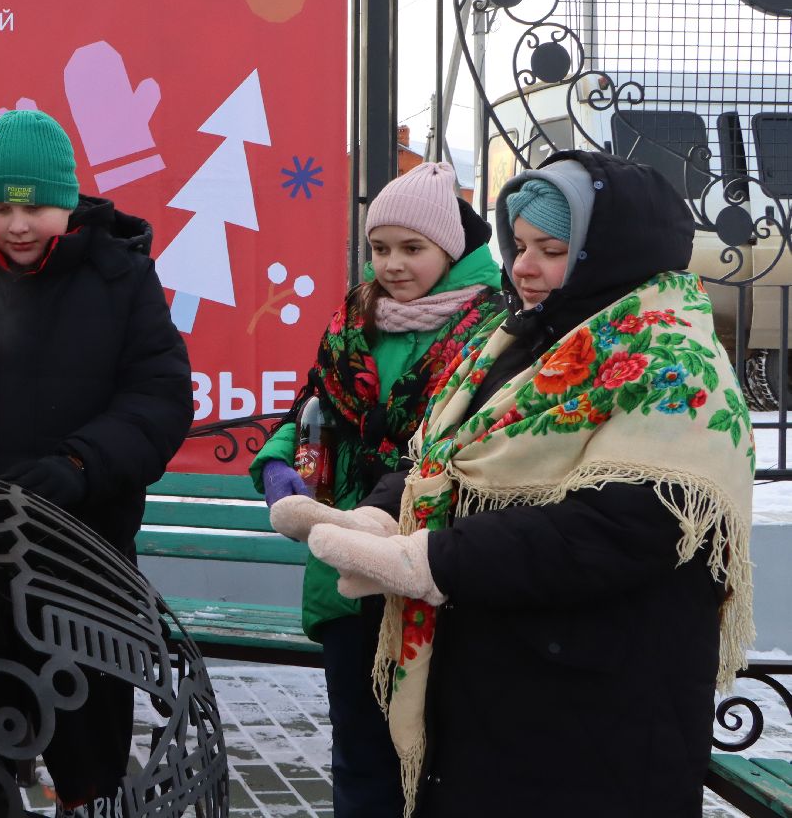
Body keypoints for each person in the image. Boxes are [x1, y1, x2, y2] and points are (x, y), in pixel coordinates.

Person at [286, 150, 755, 818]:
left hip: (601, 710)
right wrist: (380, 513)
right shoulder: (527, 339)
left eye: (553, 249)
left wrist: (430, 559)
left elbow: (623, 525)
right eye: (520, 245)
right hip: (505, 691)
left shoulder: (674, 365)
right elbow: (444, 457)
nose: (524, 267)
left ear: (610, 252)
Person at [0, 109, 193, 817]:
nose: (17, 224)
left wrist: (79, 465)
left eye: (35, 206)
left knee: (89, 761)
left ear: (70, 201)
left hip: (81, 562)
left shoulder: (123, 283)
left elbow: (160, 398)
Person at [252, 161, 506, 818]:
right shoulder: (354, 320)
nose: (392, 264)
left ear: (451, 249)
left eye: (412, 248)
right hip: (341, 559)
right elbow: (312, 408)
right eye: (380, 247)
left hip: (428, 566)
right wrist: (280, 469)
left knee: (433, 755)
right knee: (359, 752)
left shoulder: (490, 329)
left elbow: (454, 443)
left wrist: (376, 506)